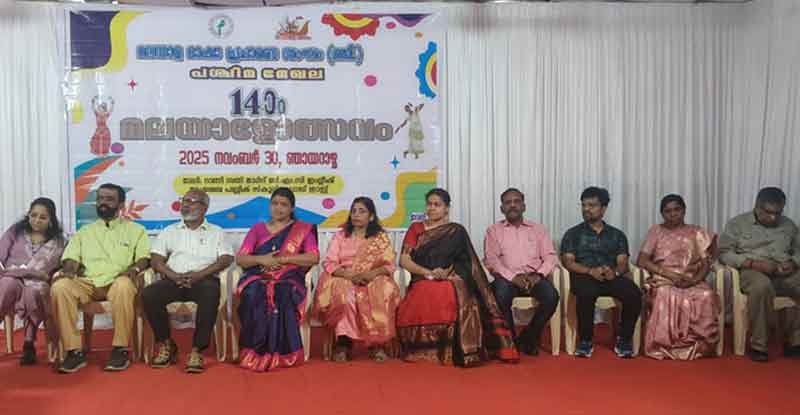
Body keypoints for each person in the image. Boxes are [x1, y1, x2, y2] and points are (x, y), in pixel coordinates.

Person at [396, 188, 518, 367]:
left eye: (437, 204)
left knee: (450, 290)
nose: (431, 208)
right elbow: (404, 260)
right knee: (425, 291)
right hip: (422, 277)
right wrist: (427, 272)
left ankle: (453, 349)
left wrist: (446, 273)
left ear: (446, 208)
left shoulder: (457, 231)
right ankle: (422, 349)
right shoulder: (416, 228)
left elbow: (465, 263)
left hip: (450, 277)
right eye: (429, 204)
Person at [51, 183, 150, 373]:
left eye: (109, 199)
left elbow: (144, 258)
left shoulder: (136, 230)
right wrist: (69, 270)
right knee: (60, 287)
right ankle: (74, 351)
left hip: (116, 281)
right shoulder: (84, 232)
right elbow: (71, 258)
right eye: (100, 199)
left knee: (124, 285)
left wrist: (134, 269)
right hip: (88, 283)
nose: (103, 203)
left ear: (121, 205)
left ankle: (120, 349)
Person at [142, 189, 233, 373]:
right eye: (184, 201)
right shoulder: (169, 231)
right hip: (173, 279)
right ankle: (166, 344)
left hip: (203, 280)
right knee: (149, 293)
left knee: (211, 293)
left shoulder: (216, 232)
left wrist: (200, 274)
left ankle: (197, 350)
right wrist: (172, 275)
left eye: (192, 201)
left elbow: (226, 259)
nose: (186, 205)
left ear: (204, 207)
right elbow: (156, 260)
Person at [234, 187, 319, 372]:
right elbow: (241, 259)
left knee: (282, 293)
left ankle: (283, 354)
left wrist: (283, 259)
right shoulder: (257, 229)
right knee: (254, 293)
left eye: (284, 204)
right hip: (258, 277)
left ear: (292, 208)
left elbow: (313, 257)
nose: (278, 208)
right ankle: (253, 353)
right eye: (274, 203)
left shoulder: (303, 229)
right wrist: (262, 259)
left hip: (289, 279)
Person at [313, 197, 400, 362]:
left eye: (362, 211)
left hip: (372, 276)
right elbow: (330, 262)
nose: (356, 215)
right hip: (344, 275)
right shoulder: (341, 236)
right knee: (344, 293)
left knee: (383, 290)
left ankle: (377, 343)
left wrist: (370, 275)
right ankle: (344, 342)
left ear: (371, 216)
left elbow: (389, 265)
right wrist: (350, 275)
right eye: (353, 211)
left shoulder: (379, 238)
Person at [719, 186, 800, 362]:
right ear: (757, 206)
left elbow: (798, 251)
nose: (773, 218)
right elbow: (724, 253)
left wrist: (794, 262)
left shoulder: (789, 225)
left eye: (778, 213)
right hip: (752, 271)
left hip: (782, 272)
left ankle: (795, 340)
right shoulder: (737, 224)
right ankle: (759, 345)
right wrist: (753, 263)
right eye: (768, 212)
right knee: (762, 286)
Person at [561, 186, 641, 358]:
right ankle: (585, 340)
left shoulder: (617, 235)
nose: (586, 209)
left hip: (610, 276)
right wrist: (590, 271)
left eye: (592, 205)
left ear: (603, 208)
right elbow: (568, 262)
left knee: (634, 293)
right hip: (584, 276)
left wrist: (615, 272)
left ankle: (624, 339)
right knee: (586, 292)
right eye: (584, 205)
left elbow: (623, 262)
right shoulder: (573, 234)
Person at [636, 194, 720, 360]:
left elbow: (706, 263)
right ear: (662, 214)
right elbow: (642, 260)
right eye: (667, 211)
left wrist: (694, 280)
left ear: (684, 210)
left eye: (677, 209)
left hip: (691, 279)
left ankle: (700, 345)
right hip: (664, 279)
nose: (673, 214)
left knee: (706, 295)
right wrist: (669, 275)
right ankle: (663, 344)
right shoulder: (656, 231)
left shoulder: (696, 232)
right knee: (664, 294)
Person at [483, 188, 560, 356]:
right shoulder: (493, 231)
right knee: (499, 295)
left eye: (516, 201)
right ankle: (510, 341)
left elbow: (550, 256)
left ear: (524, 206)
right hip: (506, 279)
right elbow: (492, 260)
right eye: (508, 202)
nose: (512, 205)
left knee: (551, 296)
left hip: (534, 277)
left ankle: (529, 337)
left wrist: (538, 275)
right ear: (502, 208)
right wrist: (513, 277)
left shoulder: (538, 229)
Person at [0, 197, 65, 365]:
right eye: (33, 215)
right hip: (11, 277)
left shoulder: (58, 241)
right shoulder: (15, 231)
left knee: (32, 292)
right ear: (28, 215)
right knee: (7, 284)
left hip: (38, 282)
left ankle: (29, 343)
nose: (37, 220)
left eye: (43, 217)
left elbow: (55, 269)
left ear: (51, 220)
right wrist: (17, 272)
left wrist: (38, 275)